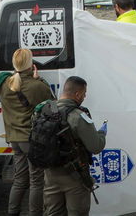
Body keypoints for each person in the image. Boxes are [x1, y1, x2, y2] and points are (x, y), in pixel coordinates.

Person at [0, 30, 55, 216]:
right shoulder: (38, 86)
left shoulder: (3, 84)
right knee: (36, 181)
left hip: (15, 140)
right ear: (31, 65)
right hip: (32, 140)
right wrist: (39, 79)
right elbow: (53, 104)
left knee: (20, 180)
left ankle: (13, 212)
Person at [39, 76, 106, 216]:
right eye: (84, 93)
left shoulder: (44, 110)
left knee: (53, 212)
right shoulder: (78, 116)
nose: (85, 97)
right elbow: (96, 146)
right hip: (74, 176)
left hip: (50, 174)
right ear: (77, 94)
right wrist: (101, 133)